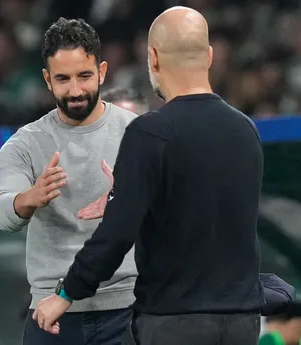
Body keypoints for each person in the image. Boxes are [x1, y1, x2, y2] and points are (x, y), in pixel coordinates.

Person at [33, 7, 265, 345]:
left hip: (174, 322)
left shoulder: (151, 133)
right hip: (243, 322)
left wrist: (66, 293)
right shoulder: (246, 130)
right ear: (210, 56)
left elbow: (115, 237)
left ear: (152, 58)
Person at [0, 17, 138, 345]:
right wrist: (29, 197)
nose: (75, 91)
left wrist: (127, 198)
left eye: (84, 76)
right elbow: (2, 213)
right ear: (47, 80)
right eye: (63, 79)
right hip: (51, 315)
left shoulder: (139, 133)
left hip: (127, 310)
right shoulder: (25, 144)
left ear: (102, 71)